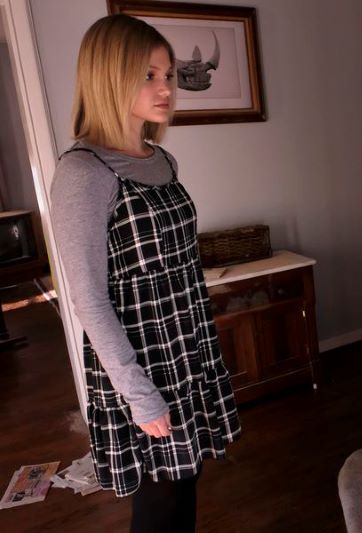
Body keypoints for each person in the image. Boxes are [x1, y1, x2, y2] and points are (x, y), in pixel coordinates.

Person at [50, 14, 241, 532]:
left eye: (168, 75)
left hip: (188, 344)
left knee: (186, 479)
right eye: (148, 75)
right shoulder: (84, 172)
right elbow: (88, 298)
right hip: (142, 360)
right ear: (109, 77)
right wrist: (138, 393)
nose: (165, 89)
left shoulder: (162, 160)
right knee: (160, 503)